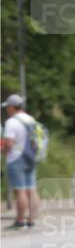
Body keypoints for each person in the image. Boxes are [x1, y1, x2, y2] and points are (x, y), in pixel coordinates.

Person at [2, 94, 41, 228]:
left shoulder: (11, 122)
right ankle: (31, 220)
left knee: (20, 190)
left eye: (7, 107)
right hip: (31, 158)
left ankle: (20, 220)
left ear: (12, 107)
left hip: (16, 158)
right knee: (31, 188)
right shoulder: (31, 119)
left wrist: (4, 152)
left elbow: (8, 144)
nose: (7, 110)